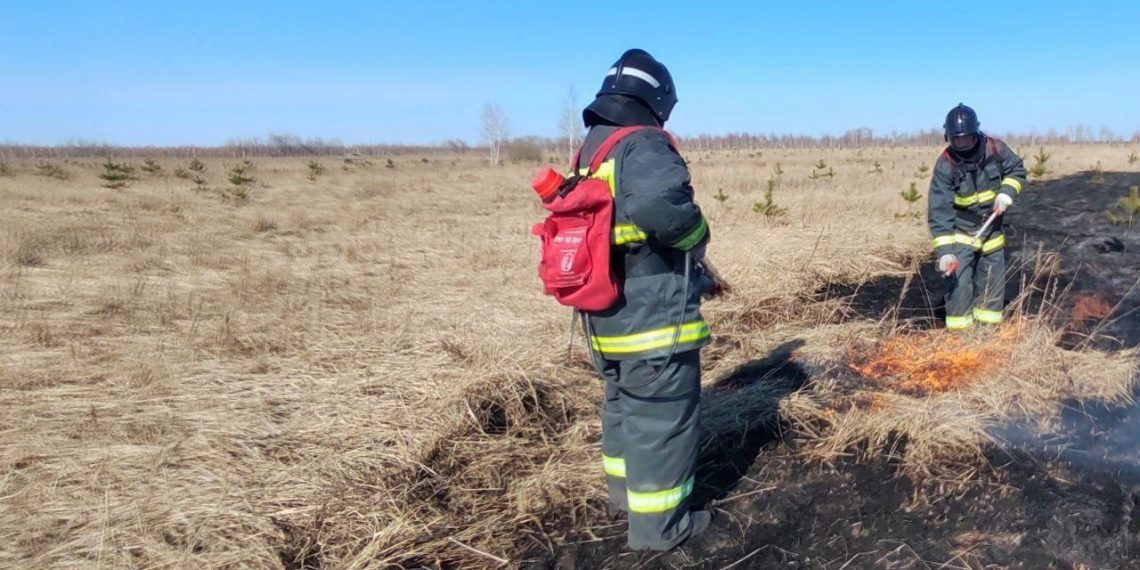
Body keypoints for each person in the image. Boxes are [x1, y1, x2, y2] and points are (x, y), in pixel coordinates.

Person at [577, 48, 719, 551]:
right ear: (656, 98)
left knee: (623, 405)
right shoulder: (643, 144)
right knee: (663, 418)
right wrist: (699, 234)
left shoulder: (595, 147)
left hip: (604, 314)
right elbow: (664, 207)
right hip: (651, 315)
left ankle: (625, 496)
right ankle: (661, 528)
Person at [928, 103, 1028, 330]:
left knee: (991, 284)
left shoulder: (995, 149)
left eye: (966, 139)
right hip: (961, 234)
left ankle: (987, 334)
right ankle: (960, 339)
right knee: (959, 286)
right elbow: (939, 210)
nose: (961, 144)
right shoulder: (946, 165)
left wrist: (1006, 192)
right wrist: (944, 253)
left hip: (991, 231)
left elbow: (1017, 171)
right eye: (956, 140)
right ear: (948, 137)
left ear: (976, 134)